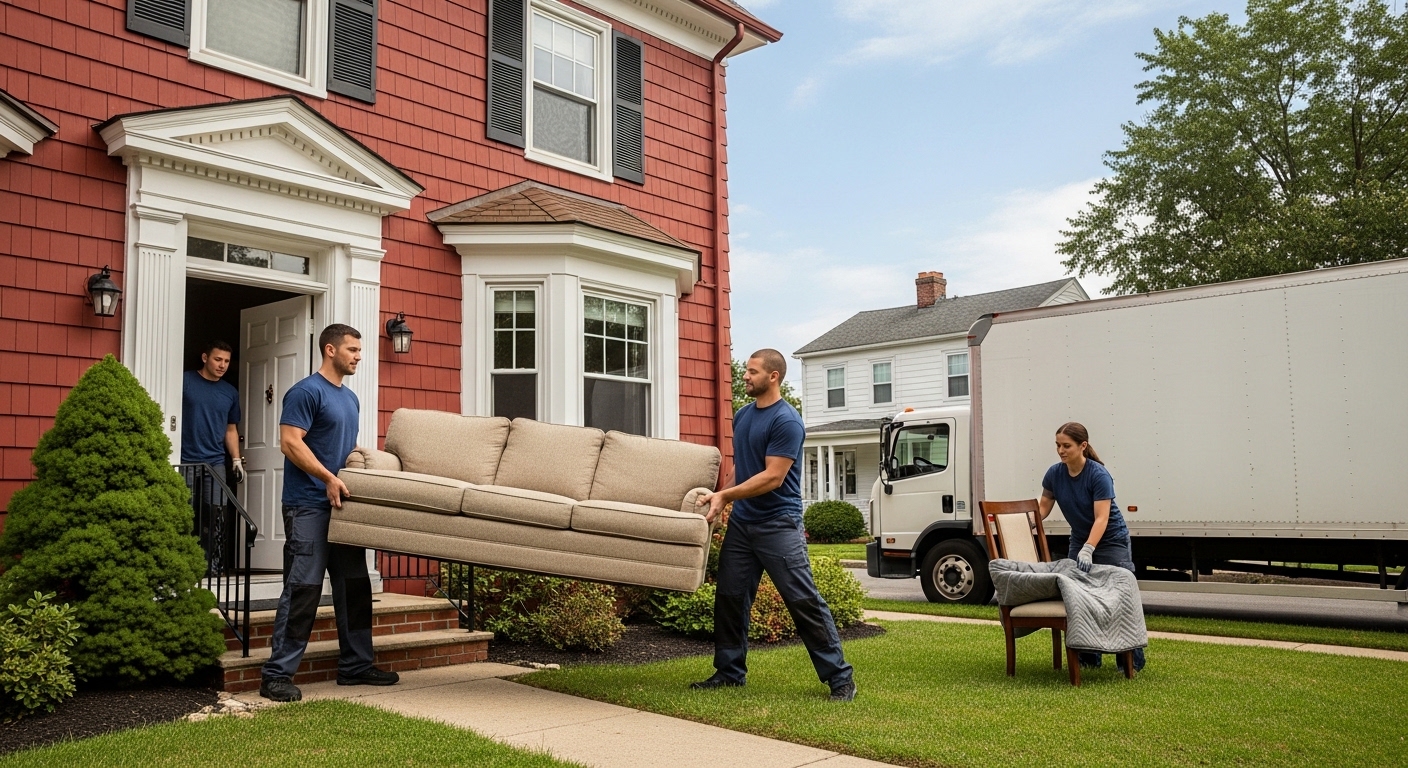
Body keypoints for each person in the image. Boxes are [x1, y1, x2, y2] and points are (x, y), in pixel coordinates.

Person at [692, 349, 857, 701]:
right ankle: (730, 672)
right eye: (746, 371)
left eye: (752, 372)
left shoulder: (787, 421)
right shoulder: (744, 415)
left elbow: (772, 477)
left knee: (802, 600)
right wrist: (725, 496)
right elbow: (746, 468)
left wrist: (727, 496)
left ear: (773, 376)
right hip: (744, 525)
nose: (745, 377)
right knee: (730, 597)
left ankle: (840, 677)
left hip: (778, 525)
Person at [260, 324, 398, 702]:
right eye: (352, 349)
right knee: (303, 589)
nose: (358, 356)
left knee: (355, 586)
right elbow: (290, 443)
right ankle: (276, 675)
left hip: (343, 508)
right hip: (308, 505)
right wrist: (326, 478)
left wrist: (363, 468)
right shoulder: (306, 392)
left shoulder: (349, 400)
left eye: (359, 350)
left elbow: (345, 446)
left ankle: (355, 666)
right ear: (330, 350)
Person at [1037, 421, 1146, 672]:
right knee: (1080, 597)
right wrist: (1026, 521)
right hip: (1080, 538)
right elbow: (1043, 507)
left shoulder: (1098, 475)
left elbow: (1102, 518)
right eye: (1057, 445)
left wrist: (1089, 548)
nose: (1061, 451)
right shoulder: (1054, 474)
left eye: (1066, 446)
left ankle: (1131, 663)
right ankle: (1088, 659)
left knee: (1119, 597)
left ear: (1082, 446)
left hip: (1111, 540)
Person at [181, 340, 243, 518]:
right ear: (204, 358)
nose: (222, 365)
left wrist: (236, 460)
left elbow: (230, 429)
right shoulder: (185, 381)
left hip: (215, 461)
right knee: (185, 512)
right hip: (185, 459)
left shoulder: (230, 392)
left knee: (217, 513)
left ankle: (212, 547)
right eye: (218, 359)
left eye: (226, 361)